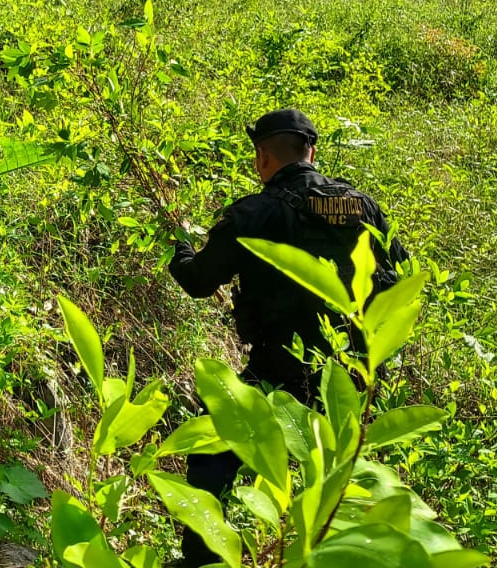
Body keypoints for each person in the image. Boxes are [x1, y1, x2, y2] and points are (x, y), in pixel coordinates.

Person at [165, 108, 409, 567]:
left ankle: (202, 558)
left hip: (277, 370)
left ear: (261, 157)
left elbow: (198, 281)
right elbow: (403, 276)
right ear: (311, 152)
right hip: (350, 375)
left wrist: (177, 243)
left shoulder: (254, 213)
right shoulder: (363, 206)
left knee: (214, 445)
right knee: (343, 476)